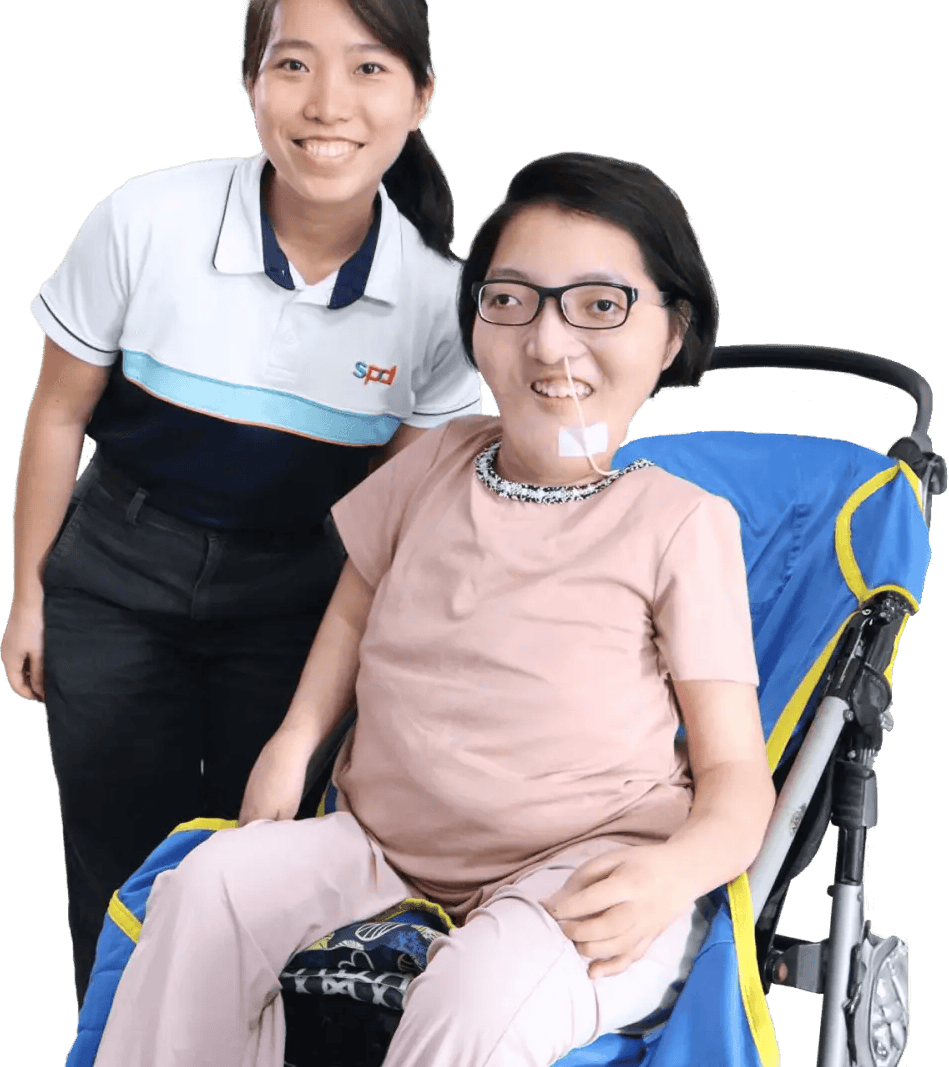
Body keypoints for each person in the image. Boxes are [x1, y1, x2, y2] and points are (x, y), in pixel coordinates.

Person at [89, 152, 776, 1067]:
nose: (548, 342)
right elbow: (352, 610)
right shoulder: (439, 460)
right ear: (475, 322)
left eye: (600, 305)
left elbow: (736, 771)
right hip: (376, 846)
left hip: (580, 874)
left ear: (670, 333)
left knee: (476, 998)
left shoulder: (679, 525)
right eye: (511, 299)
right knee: (206, 889)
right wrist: (295, 741)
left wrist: (671, 876)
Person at [1, 0, 483, 1005]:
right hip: (116, 579)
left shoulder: (441, 302)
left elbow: (398, 528)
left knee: (273, 873)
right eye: (292, 63)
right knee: (119, 870)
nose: (327, 103)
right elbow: (56, 414)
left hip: (299, 607)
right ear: (252, 83)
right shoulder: (147, 217)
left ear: (421, 96)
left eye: (368, 68)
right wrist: (28, 592)